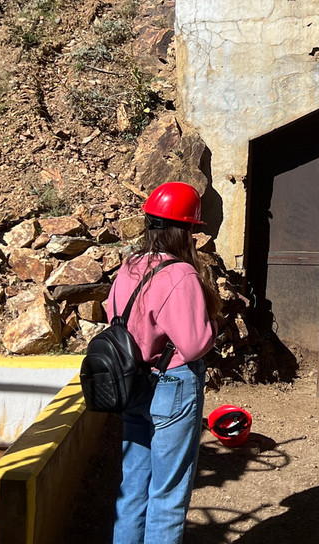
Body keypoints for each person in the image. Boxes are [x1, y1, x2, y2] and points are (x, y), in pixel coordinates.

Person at [107, 181, 222, 544]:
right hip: (172, 385)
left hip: (132, 382)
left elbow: (114, 317)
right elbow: (193, 344)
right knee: (168, 495)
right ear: (185, 230)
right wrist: (214, 326)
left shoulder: (129, 267)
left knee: (133, 490)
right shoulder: (181, 274)